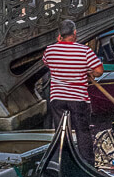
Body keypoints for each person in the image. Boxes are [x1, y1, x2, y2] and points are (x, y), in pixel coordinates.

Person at [42, 19, 104, 165]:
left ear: (60, 35)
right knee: (82, 132)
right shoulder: (84, 51)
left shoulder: (50, 50)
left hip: (57, 99)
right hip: (78, 99)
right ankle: (88, 164)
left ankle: (63, 162)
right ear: (75, 33)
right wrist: (90, 74)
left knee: (61, 132)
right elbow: (99, 70)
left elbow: (46, 62)